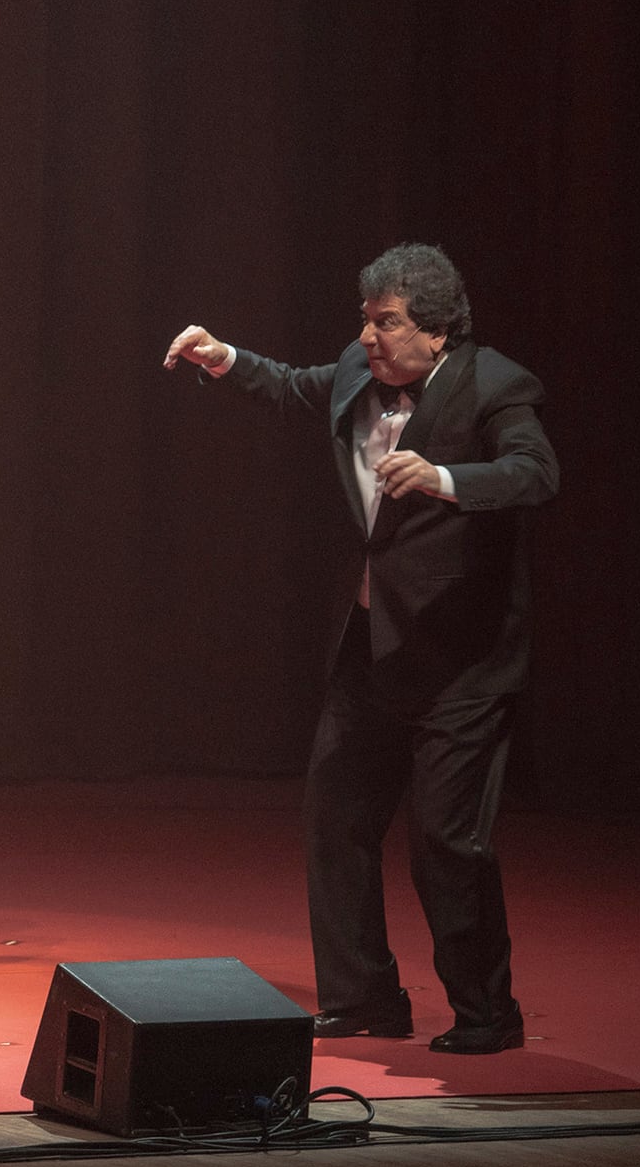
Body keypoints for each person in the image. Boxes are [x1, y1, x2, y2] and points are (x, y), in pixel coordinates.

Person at [163, 242, 556, 1054]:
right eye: (366, 321)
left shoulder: (496, 384)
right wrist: (223, 357)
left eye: (387, 323)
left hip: (463, 662)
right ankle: (364, 996)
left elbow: (534, 473)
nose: (370, 338)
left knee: (447, 840)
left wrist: (447, 479)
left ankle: (488, 1013)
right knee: (335, 818)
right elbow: (296, 386)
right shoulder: (354, 368)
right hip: (370, 649)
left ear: (439, 330)